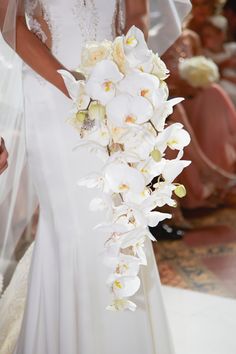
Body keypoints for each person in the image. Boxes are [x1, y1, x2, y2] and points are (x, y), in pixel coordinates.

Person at [0, 1, 192, 353]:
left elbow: (137, 13)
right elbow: (9, 23)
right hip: (51, 97)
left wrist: (130, 74)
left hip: (118, 97)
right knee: (73, 230)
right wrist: (72, 85)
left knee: (121, 223)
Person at [162, 29, 236, 209]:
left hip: (191, 97)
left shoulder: (191, 37)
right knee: (178, 110)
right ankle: (208, 172)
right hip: (170, 97)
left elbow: (202, 64)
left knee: (214, 93)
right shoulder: (157, 38)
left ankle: (216, 169)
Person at [202, 15, 236, 105]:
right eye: (204, 36)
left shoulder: (232, 49)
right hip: (221, 88)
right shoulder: (204, 54)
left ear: (221, 35)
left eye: (209, 36)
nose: (206, 39)